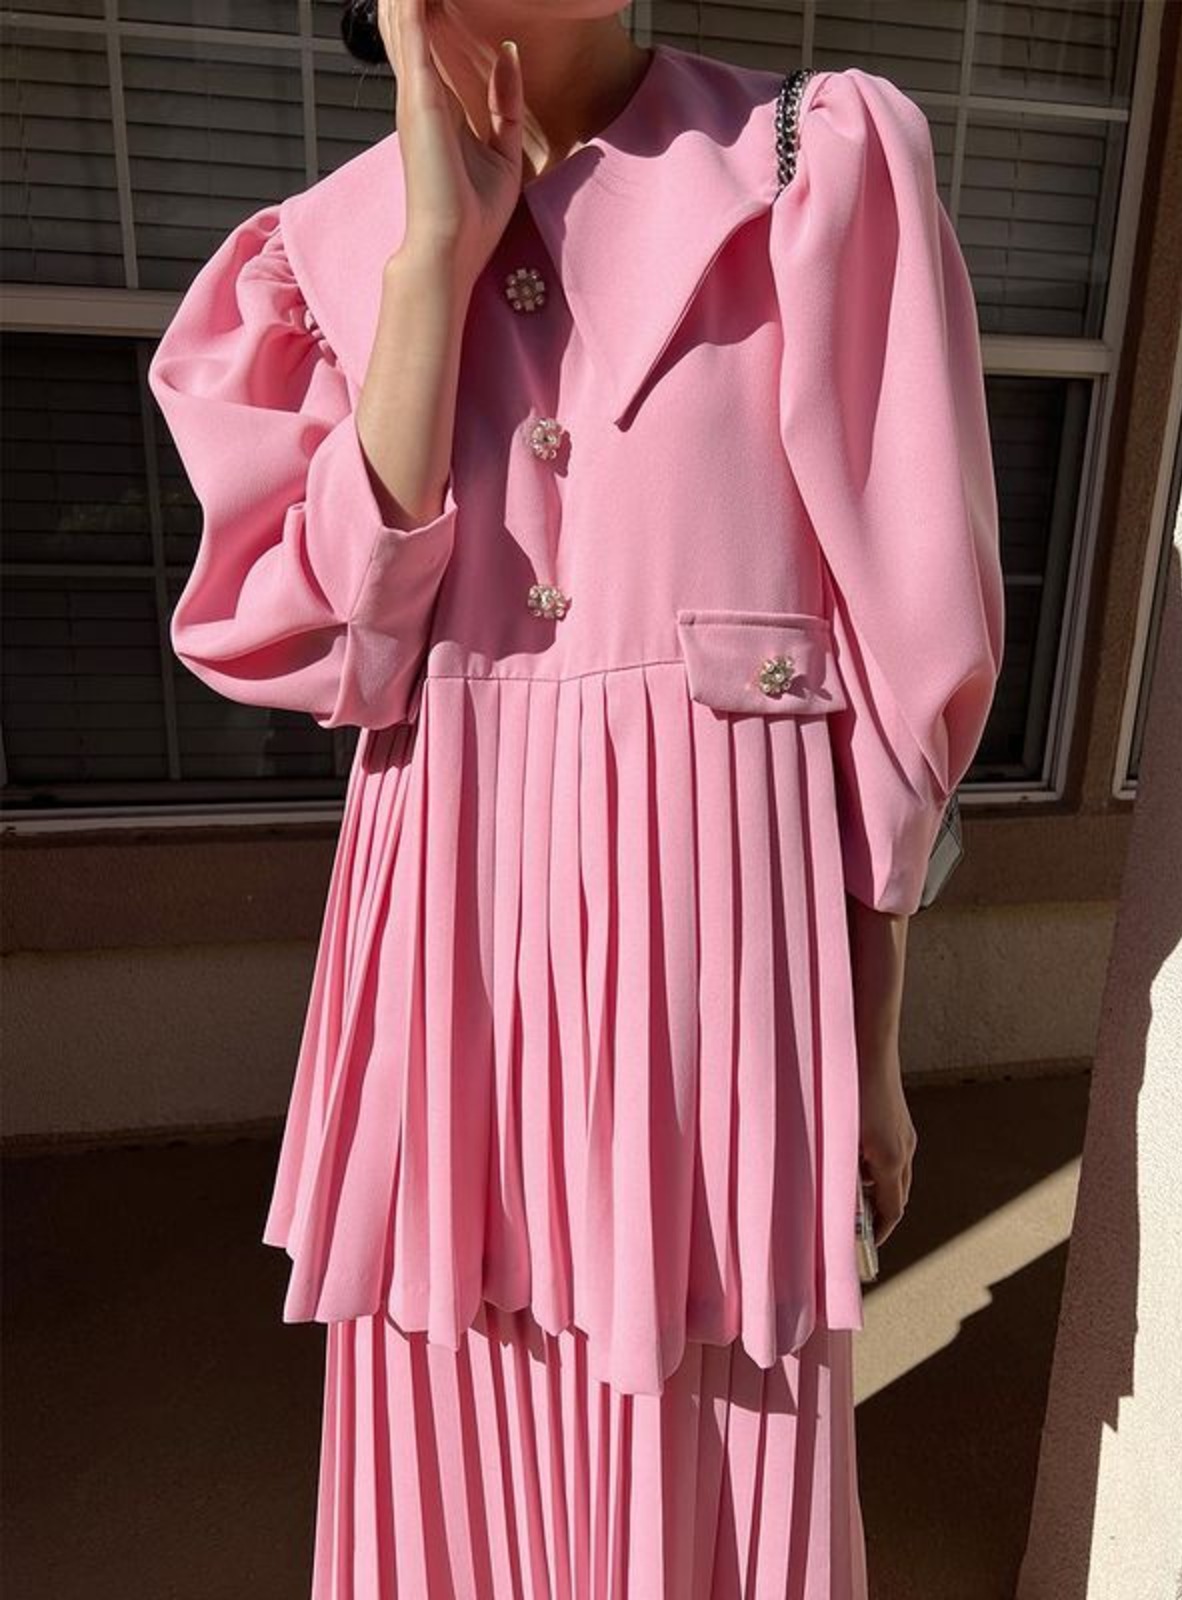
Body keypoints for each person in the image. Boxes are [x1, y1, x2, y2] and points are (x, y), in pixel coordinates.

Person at [149, 1, 1005, 1593]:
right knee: (460, 1406)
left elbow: (903, 651)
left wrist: (871, 1039)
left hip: (716, 978)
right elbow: (331, 644)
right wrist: (432, 259)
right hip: (450, 946)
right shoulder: (317, 263)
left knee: (717, 1431)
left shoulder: (812, 167)